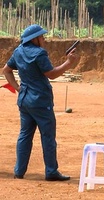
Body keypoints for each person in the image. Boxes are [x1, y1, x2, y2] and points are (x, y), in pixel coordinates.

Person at [2, 24, 79, 181]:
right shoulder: (39, 53)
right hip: (41, 101)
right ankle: (51, 171)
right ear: (34, 39)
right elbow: (51, 74)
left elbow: (6, 70)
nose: (44, 39)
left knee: (24, 135)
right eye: (42, 37)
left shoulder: (18, 51)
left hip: (24, 100)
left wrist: (18, 88)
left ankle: (19, 171)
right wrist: (68, 64)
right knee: (48, 136)